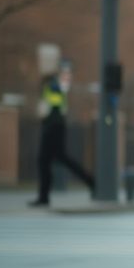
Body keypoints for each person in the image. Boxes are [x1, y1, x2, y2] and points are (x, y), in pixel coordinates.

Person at [29, 76, 95, 207]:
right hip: (55, 126)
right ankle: (90, 181)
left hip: (53, 127)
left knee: (45, 160)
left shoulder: (52, 87)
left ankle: (44, 197)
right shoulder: (52, 87)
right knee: (56, 159)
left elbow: (55, 106)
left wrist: (46, 116)